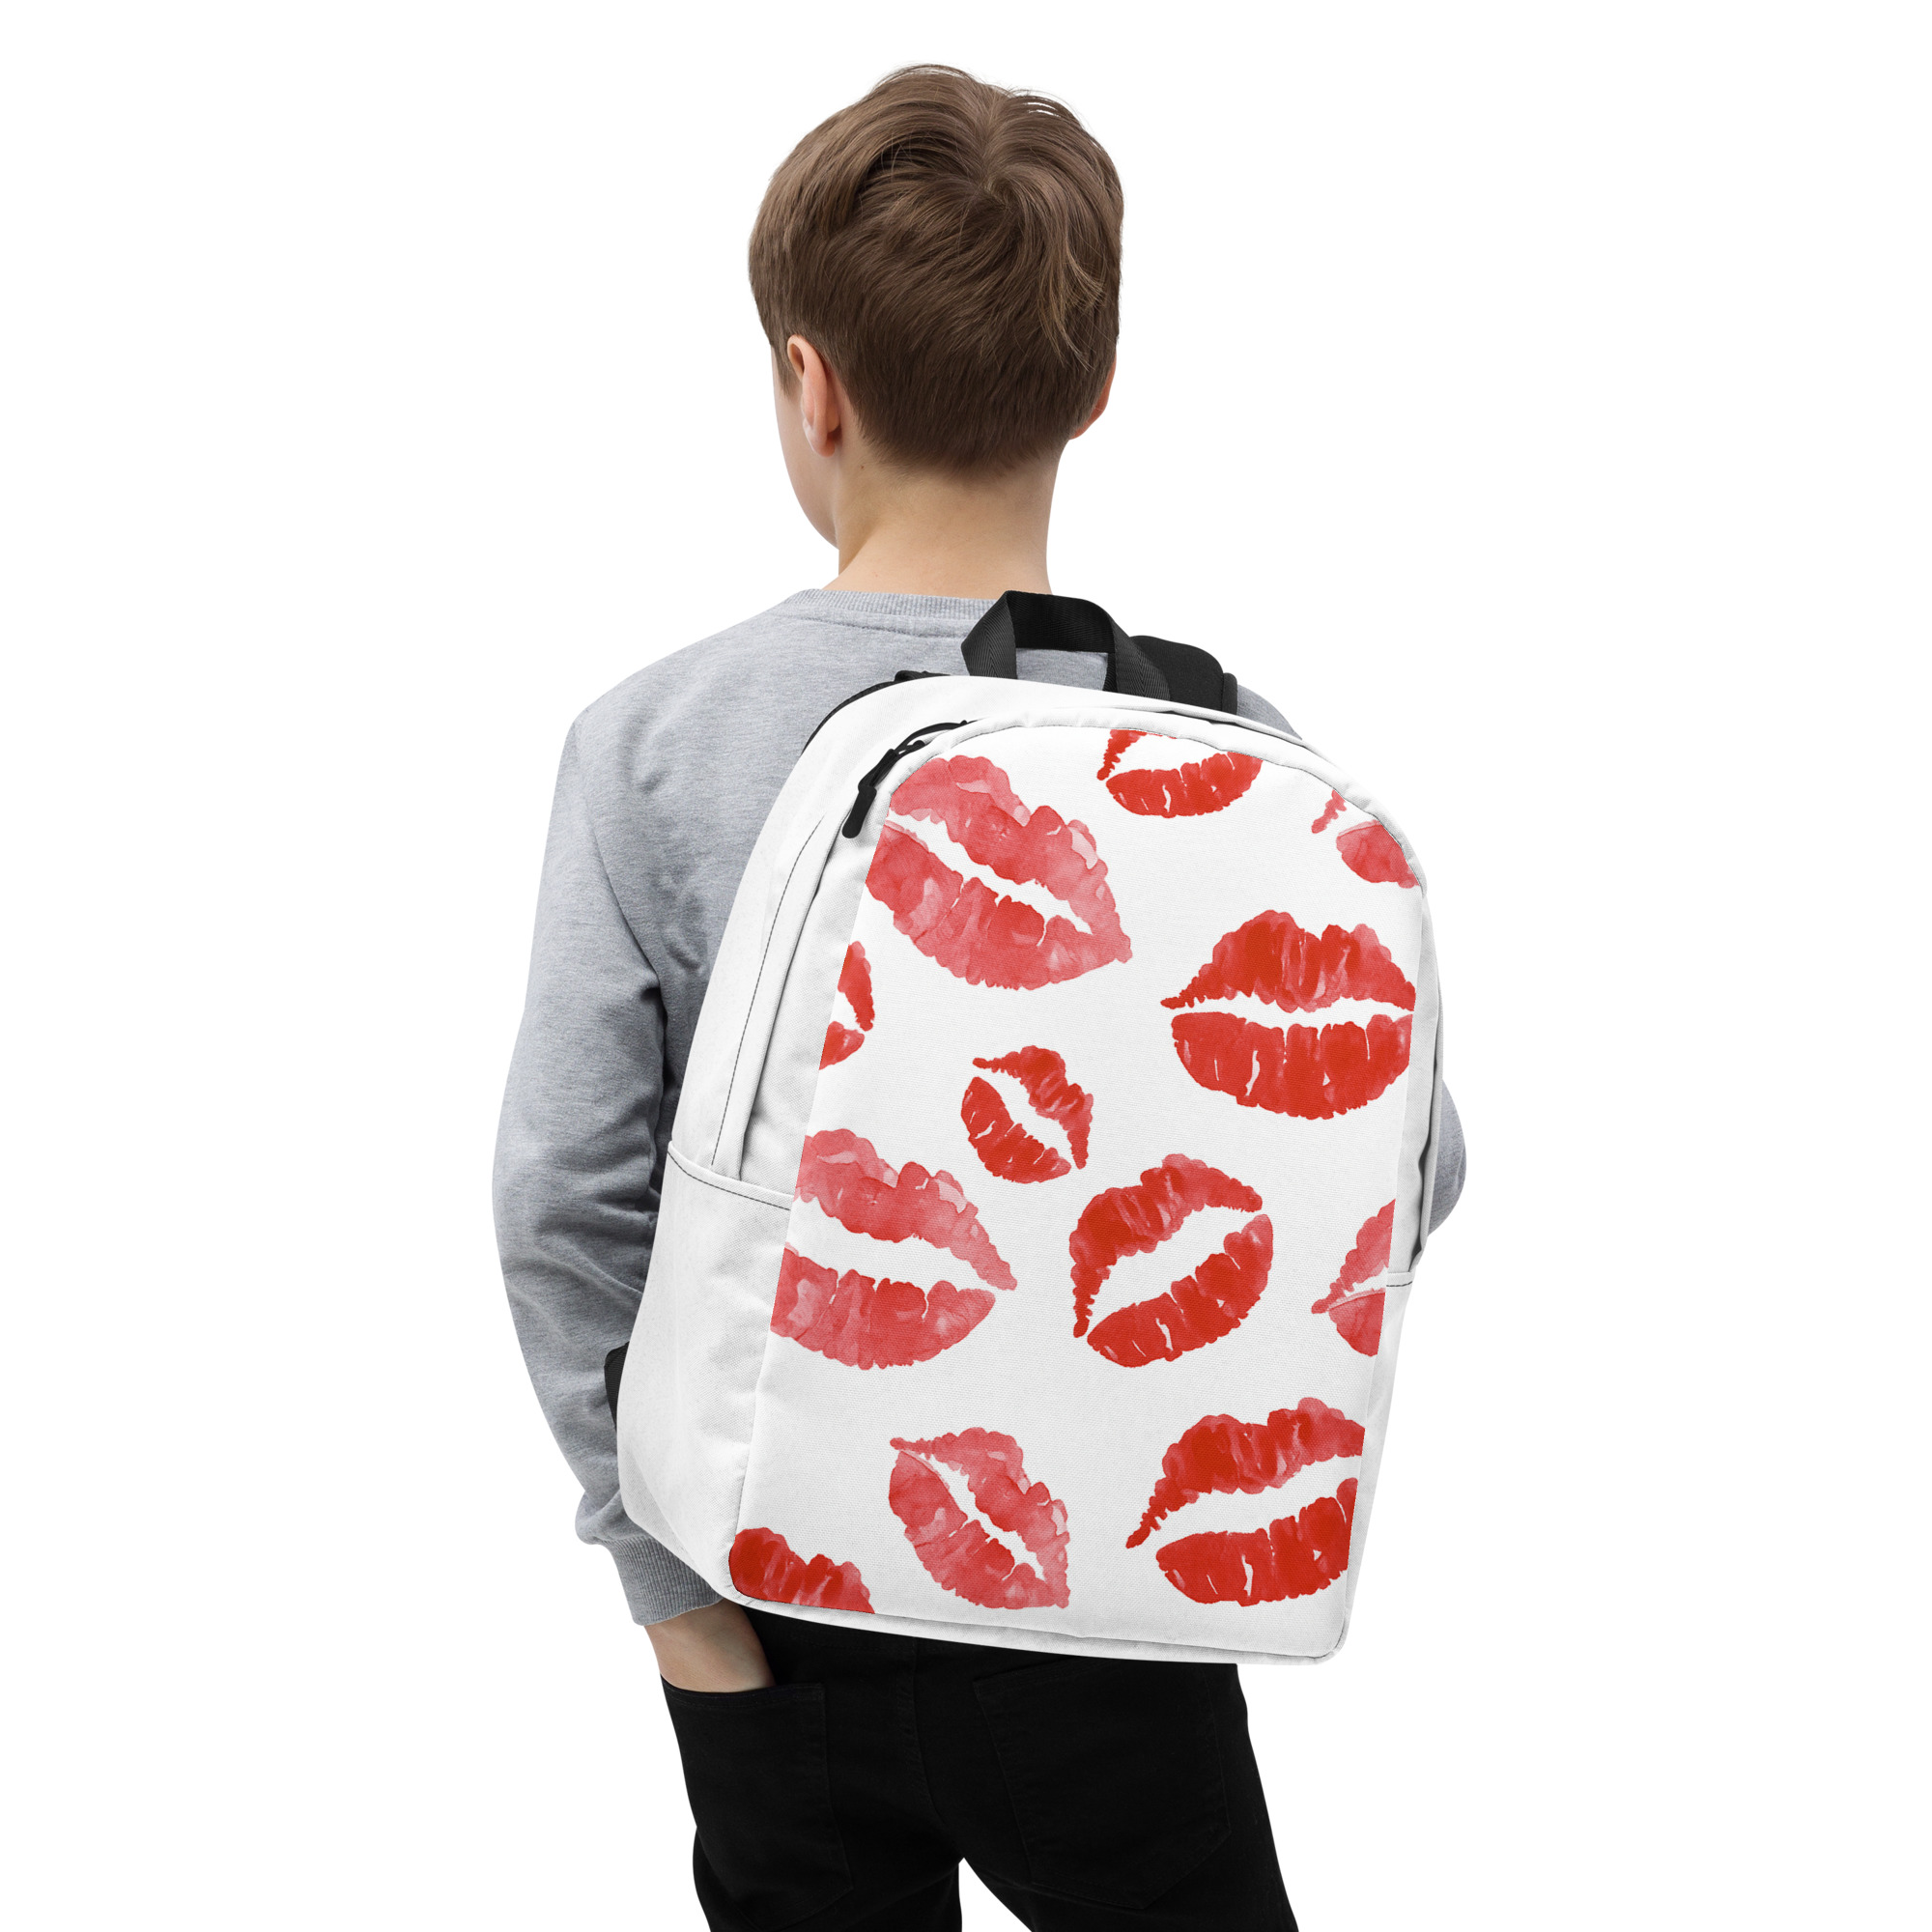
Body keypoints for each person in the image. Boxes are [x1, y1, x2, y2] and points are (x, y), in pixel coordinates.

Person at [495, 64, 1464, 1932]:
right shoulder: (1229, 756)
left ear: (810, 385)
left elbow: (563, 1203)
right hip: (1115, 1610)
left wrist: (671, 1601)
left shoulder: (653, 744)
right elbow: (1404, 1170)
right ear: (1094, 393)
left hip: (765, 1609)